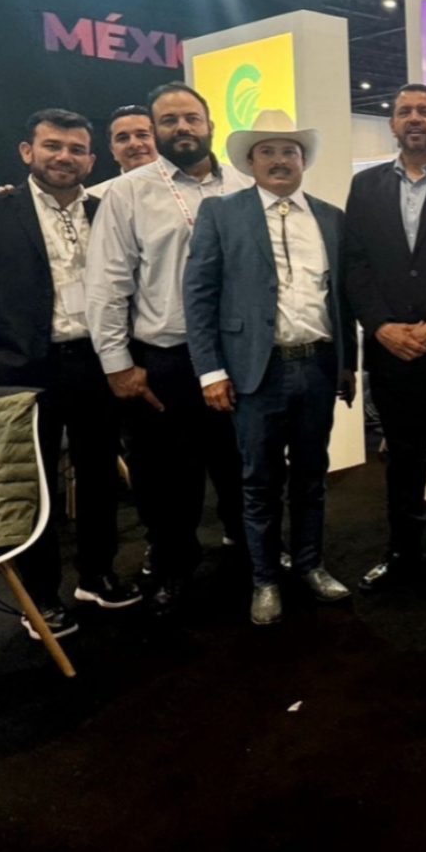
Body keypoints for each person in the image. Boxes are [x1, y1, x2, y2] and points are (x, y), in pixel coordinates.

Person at [0, 109, 141, 639]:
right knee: (34, 487)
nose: (64, 157)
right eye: (52, 146)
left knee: (99, 477)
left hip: (97, 364)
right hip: (23, 370)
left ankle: (96, 575)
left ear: (91, 160)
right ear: (28, 152)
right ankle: (41, 597)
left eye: (76, 149)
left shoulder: (107, 211)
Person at [183, 110, 358, 625]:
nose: (280, 160)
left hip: (318, 367)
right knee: (258, 481)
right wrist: (211, 371)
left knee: (312, 476)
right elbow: (199, 295)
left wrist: (348, 365)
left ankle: (309, 565)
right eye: (268, 152)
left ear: (303, 161)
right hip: (256, 372)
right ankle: (264, 578)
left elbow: (341, 299)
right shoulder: (221, 213)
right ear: (251, 161)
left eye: (289, 151)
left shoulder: (330, 217)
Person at [86, 81, 250, 618]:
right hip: (168, 359)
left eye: (191, 118)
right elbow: (107, 284)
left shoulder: (245, 185)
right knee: (167, 478)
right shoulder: (127, 193)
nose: (182, 128)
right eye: (170, 120)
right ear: (156, 131)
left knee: (242, 463)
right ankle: (174, 567)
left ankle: (251, 553)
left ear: (210, 125)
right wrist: (118, 365)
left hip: (241, 354)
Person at [345, 84, 426, 590]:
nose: (414, 118)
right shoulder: (365, 186)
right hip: (391, 348)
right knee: (403, 454)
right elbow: (355, 264)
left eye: (424, 110)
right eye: (404, 112)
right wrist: (380, 325)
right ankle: (403, 553)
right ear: (392, 124)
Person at [86, 105, 158, 198]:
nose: (134, 144)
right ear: (112, 150)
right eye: (123, 138)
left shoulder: (177, 188)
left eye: (142, 135)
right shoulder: (94, 198)